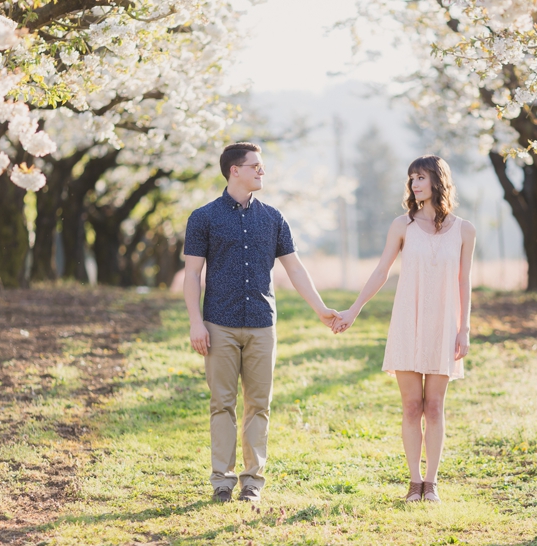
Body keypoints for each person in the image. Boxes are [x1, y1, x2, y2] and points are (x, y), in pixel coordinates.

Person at [184, 142, 339, 504]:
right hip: (218, 324)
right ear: (234, 170)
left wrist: (321, 309)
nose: (261, 171)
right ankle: (222, 481)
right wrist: (196, 323)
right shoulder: (203, 217)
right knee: (221, 403)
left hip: (262, 324)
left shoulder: (273, 218)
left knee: (259, 404)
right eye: (255, 166)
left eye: (262, 166)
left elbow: (295, 269)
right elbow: (192, 274)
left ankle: (252, 481)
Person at [333, 155, 476, 503]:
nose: (415, 184)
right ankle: (414, 483)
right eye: (411, 178)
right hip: (407, 322)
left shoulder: (464, 229)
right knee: (412, 406)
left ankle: (432, 483)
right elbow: (381, 271)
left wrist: (464, 328)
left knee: (435, 406)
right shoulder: (402, 225)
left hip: (444, 325)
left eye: (422, 177)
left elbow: (464, 281)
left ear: (438, 181)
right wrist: (354, 309)